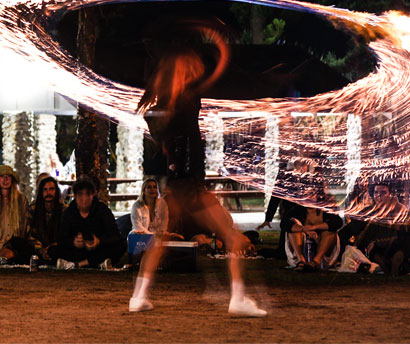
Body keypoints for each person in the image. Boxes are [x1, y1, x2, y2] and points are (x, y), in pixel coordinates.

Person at [129, 24, 266, 317]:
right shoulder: (177, 102)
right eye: (187, 65)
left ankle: (138, 296)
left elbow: (165, 142)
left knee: (160, 241)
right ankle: (238, 299)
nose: (193, 68)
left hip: (178, 184)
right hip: (189, 185)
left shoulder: (164, 108)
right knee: (232, 236)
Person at [56, 177, 125, 269]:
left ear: (93, 195)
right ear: (75, 196)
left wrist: (99, 241)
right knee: (53, 250)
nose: (84, 198)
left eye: (87, 194)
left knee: (121, 246)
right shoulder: (69, 212)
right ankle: (96, 263)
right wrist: (74, 242)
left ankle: (78, 264)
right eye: (80, 194)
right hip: (77, 251)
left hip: (98, 250)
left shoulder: (102, 210)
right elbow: (61, 238)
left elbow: (116, 236)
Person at [281, 202, 343, 271]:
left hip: (324, 255)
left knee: (330, 231)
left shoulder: (326, 209)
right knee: (293, 229)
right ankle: (301, 261)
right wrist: (304, 229)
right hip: (302, 248)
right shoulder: (297, 210)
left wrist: (313, 227)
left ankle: (315, 262)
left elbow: (338, 222)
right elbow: (284, 223)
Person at [27, 175, 66, 263]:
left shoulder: (64, 210)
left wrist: (52, 246)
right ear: (41, 192)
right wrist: (41, 250)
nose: (48, 193)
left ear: (56, 191)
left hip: (56, 248)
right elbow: (29, 235)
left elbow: (66, 235)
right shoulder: (33, 209)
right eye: (45, 189)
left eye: (51, 189)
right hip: (37, 249)